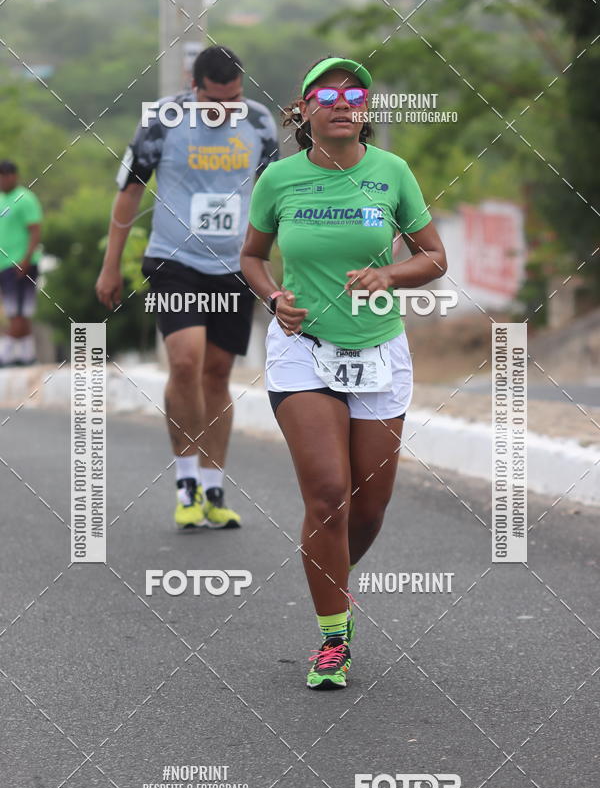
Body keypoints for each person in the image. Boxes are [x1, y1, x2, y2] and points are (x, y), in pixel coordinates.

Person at [241, 57, 447, 689]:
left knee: (368, 508)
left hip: (379, 349)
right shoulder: (278, 180)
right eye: (324, 93)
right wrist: (275, 299)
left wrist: (389, 274)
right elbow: (251, 258)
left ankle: (329, 573)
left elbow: (435, 257)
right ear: (302, 111)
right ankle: (333, 633)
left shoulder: (392, 174)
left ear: (365, 110)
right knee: (329, 495)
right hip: (303, 348)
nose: (340, 102)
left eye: (353, 93)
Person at [96, 46, 279, 529]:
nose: (225, 109)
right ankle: (187, 484)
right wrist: (110, 266)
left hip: (234, 265)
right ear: (193, 87)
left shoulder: (259, 124)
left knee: (217, 374)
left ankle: (215, 489)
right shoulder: (162, 121)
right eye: (215, 100)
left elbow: (274, 199)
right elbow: (129, 193)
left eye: (234, 98)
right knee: (185, 361)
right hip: (174, 260)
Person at [0, 161, 43, 367]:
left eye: (5, 175)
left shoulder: (25, 198)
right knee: (15, 311)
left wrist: (26, 259)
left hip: (20, 262)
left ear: (14, 176)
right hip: (3, 263)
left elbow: (35, 230)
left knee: (19, 310)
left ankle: (5, 353)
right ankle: (27, 354)